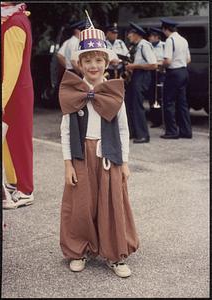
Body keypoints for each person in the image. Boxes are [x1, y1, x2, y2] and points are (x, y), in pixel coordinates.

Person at [59, 21, 139, 278]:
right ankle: (78, 250)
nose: (93, 66)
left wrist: (124, 162)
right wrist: (68, 164)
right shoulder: (74, 92)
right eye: (88, 61)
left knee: (112, 204)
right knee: (80, 204)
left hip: (109, 156)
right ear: (80, 64)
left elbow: (125, 130)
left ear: (106, 63)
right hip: (81, 155)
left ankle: (114, 254)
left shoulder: (114, 93)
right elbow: (66, 130)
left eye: (98, 60)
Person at [2, 2, 34, 208]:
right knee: (10, 141)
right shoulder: (14, 19)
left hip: (14, 93)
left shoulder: (14, 23)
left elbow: (11, 68)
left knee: (18, 141)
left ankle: (25, 190)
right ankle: (15, 183)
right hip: (15, 91)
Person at [125, 22, 157, 143]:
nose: (128, 36)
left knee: (138, 105)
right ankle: (134, 132)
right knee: (131, 104)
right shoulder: (136, 46)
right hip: (136, 75)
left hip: (142, 76)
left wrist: (134, 66)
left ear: (136, 34)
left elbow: (153, 64)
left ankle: (143, 135)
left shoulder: (144, 46)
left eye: (130, 34)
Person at [160, 18, 192, 139]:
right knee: (182, 103)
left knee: (169, 102)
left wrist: (162, 67)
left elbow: (167, 61)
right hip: (183, 72)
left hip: (173, 73)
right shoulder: (183, 40)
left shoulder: (170, 40)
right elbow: (188, 59)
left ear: (165, 29)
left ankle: (172, 131)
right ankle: (186, 131)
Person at [147, 27, 166, 128]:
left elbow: (166, 59)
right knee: (152, 96)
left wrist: (159, 63)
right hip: (151, 72)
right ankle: (155, 119)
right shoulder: (148, 46)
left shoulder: (164, 45)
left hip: (161, 73)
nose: (149, 38)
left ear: (157, 37)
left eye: (151, 36)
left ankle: (163, 119)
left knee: (160, 96)